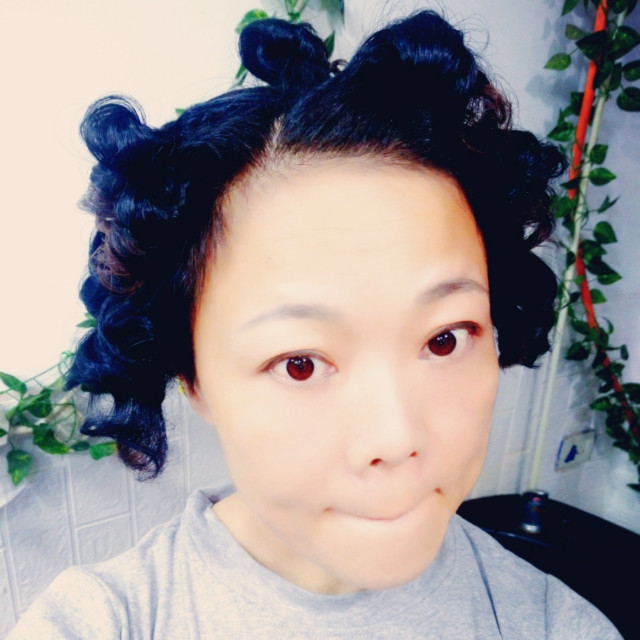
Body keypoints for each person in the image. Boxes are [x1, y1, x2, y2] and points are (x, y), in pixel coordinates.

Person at [9, 10, 622, 639]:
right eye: (300, 363)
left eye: (444, 339)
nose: (395, 438)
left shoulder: (548, 623)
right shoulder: (105, 622)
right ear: (193, 378)